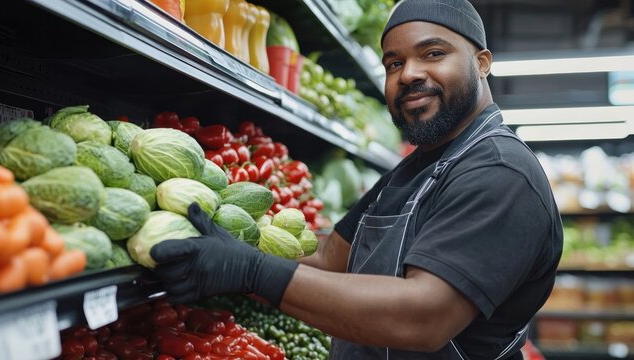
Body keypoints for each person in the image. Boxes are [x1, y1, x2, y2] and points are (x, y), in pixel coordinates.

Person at [150, 0, 564, 358]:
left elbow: (424, 317)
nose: (408, 75)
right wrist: (228, 249)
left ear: (482, 63)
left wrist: (254, 272)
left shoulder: (500, 172)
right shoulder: (421, 165)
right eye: (394, 63)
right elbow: (334, 256)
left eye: (433, 54)